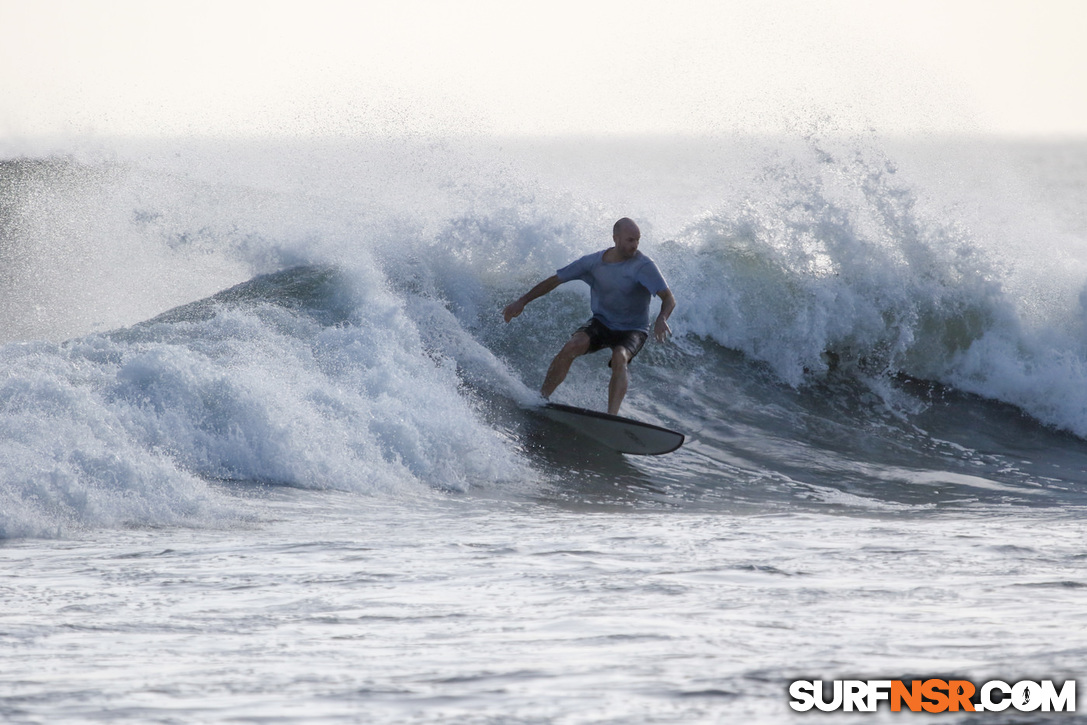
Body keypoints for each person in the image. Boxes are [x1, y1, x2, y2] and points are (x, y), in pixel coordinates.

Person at [502, 217, 676, 415]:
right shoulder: (593, 263)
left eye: (638, 240)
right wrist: (522, 301)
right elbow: (555, 280)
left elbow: (669, 299)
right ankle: (541, 398)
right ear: (615, 239)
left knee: (620, 358)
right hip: (602, 322)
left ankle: (611, 418)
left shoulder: (644, 266)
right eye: (630, 240)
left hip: (633, 329)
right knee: (572, 346)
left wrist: (662, 318)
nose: (635, 245)